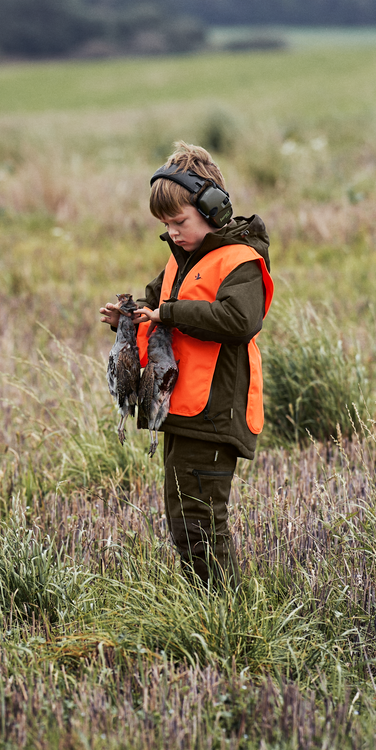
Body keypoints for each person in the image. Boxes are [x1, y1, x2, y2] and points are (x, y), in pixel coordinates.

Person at [100, 142, 272, 585]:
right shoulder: (180, 263)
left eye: (181, 222)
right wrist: (125, 321)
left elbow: (239, 320)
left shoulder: (240, 262)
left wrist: (169, 313)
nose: (173, 232)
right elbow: (154, 316)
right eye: (166, 225)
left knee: (200, 525)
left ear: (214, 210)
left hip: (216, 413)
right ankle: (207, 608)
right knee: (184, 523)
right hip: (183, 411)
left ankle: (227, 616)